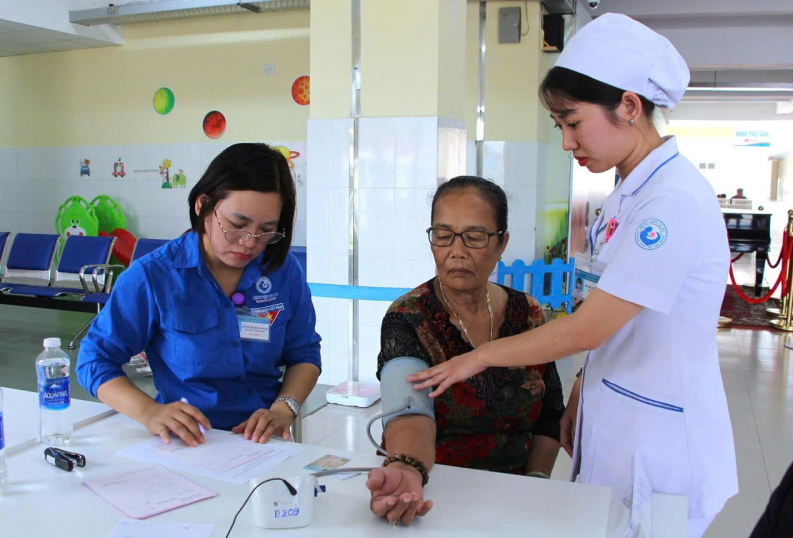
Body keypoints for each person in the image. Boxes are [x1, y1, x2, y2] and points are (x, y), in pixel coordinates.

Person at [408, 14, 736, 538]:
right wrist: (583, 385)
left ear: (629, 107)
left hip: (659, 445)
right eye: (559, 126)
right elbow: (604, 305)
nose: (566, 142)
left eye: (573, 123)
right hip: (618, 417)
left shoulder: (670, 203)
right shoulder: (626, 195)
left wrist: (479, 356)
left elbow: (589, 327)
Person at [77, 143, 321, 447]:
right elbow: (94, 360)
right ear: (203, 205)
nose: (250, 242)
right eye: (237, 225)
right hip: (188, 443)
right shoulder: (154, 276)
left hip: (262, 443)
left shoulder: (283, 272)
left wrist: (284, 409)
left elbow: (305, 354)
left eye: (266, 230)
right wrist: (149, 412)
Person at [366, 176, 564, 526]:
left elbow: (550, 413)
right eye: (443, 235)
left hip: (517, 500)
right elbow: (408, 411)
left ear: (501, 243)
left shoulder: (529, 313)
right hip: (435, 494)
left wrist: (536, 483)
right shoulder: (408, 316)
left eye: (474, 237)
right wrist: (408, 469)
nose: (456, 251)